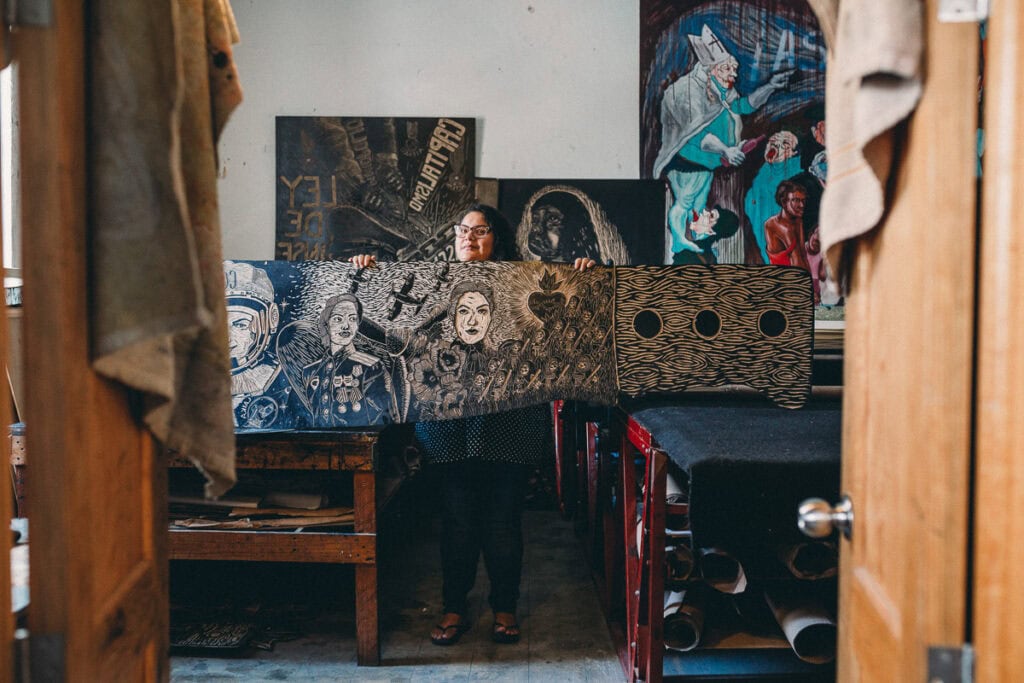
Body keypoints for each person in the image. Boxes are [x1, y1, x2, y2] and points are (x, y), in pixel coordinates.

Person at [350, 203, 595, 646]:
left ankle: (504, 606)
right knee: (457, 522)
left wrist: (585, 276)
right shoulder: (431, 283)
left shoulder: (524, 283)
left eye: (480, 230)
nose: (469, 237)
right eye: (463, 229)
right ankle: (454, 607)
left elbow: (568, 322)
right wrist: (367, 273)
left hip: (510, 424)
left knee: (502, 523)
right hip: (447, 428)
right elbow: (386, 323)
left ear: (495, 238)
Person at [652, 24, 792, 256]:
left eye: (733, 70)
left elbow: (743, 105)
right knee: (684, 204)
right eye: (728, 69)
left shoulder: (723, 91)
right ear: (713, 69)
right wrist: (726, 151)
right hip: (689, 163)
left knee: (697, 208)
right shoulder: (688, 92)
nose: (734, 75)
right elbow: (696, 134)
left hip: (706, 166)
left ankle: (697, 249)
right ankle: (679, 244)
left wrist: (770, 87)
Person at [300, 293, 389, 427]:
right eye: (338, 319)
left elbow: (381, 416)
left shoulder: (371, 367)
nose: (346, 326)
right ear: (326, 323)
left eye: (352, 319)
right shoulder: (310, 371)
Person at [764, 180, 810, 269]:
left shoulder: (798, 221)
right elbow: (797, 263)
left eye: (803, 200)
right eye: (796, 200)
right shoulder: (780, 227)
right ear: (784, 202)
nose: (801, 205)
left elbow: (803, 255)